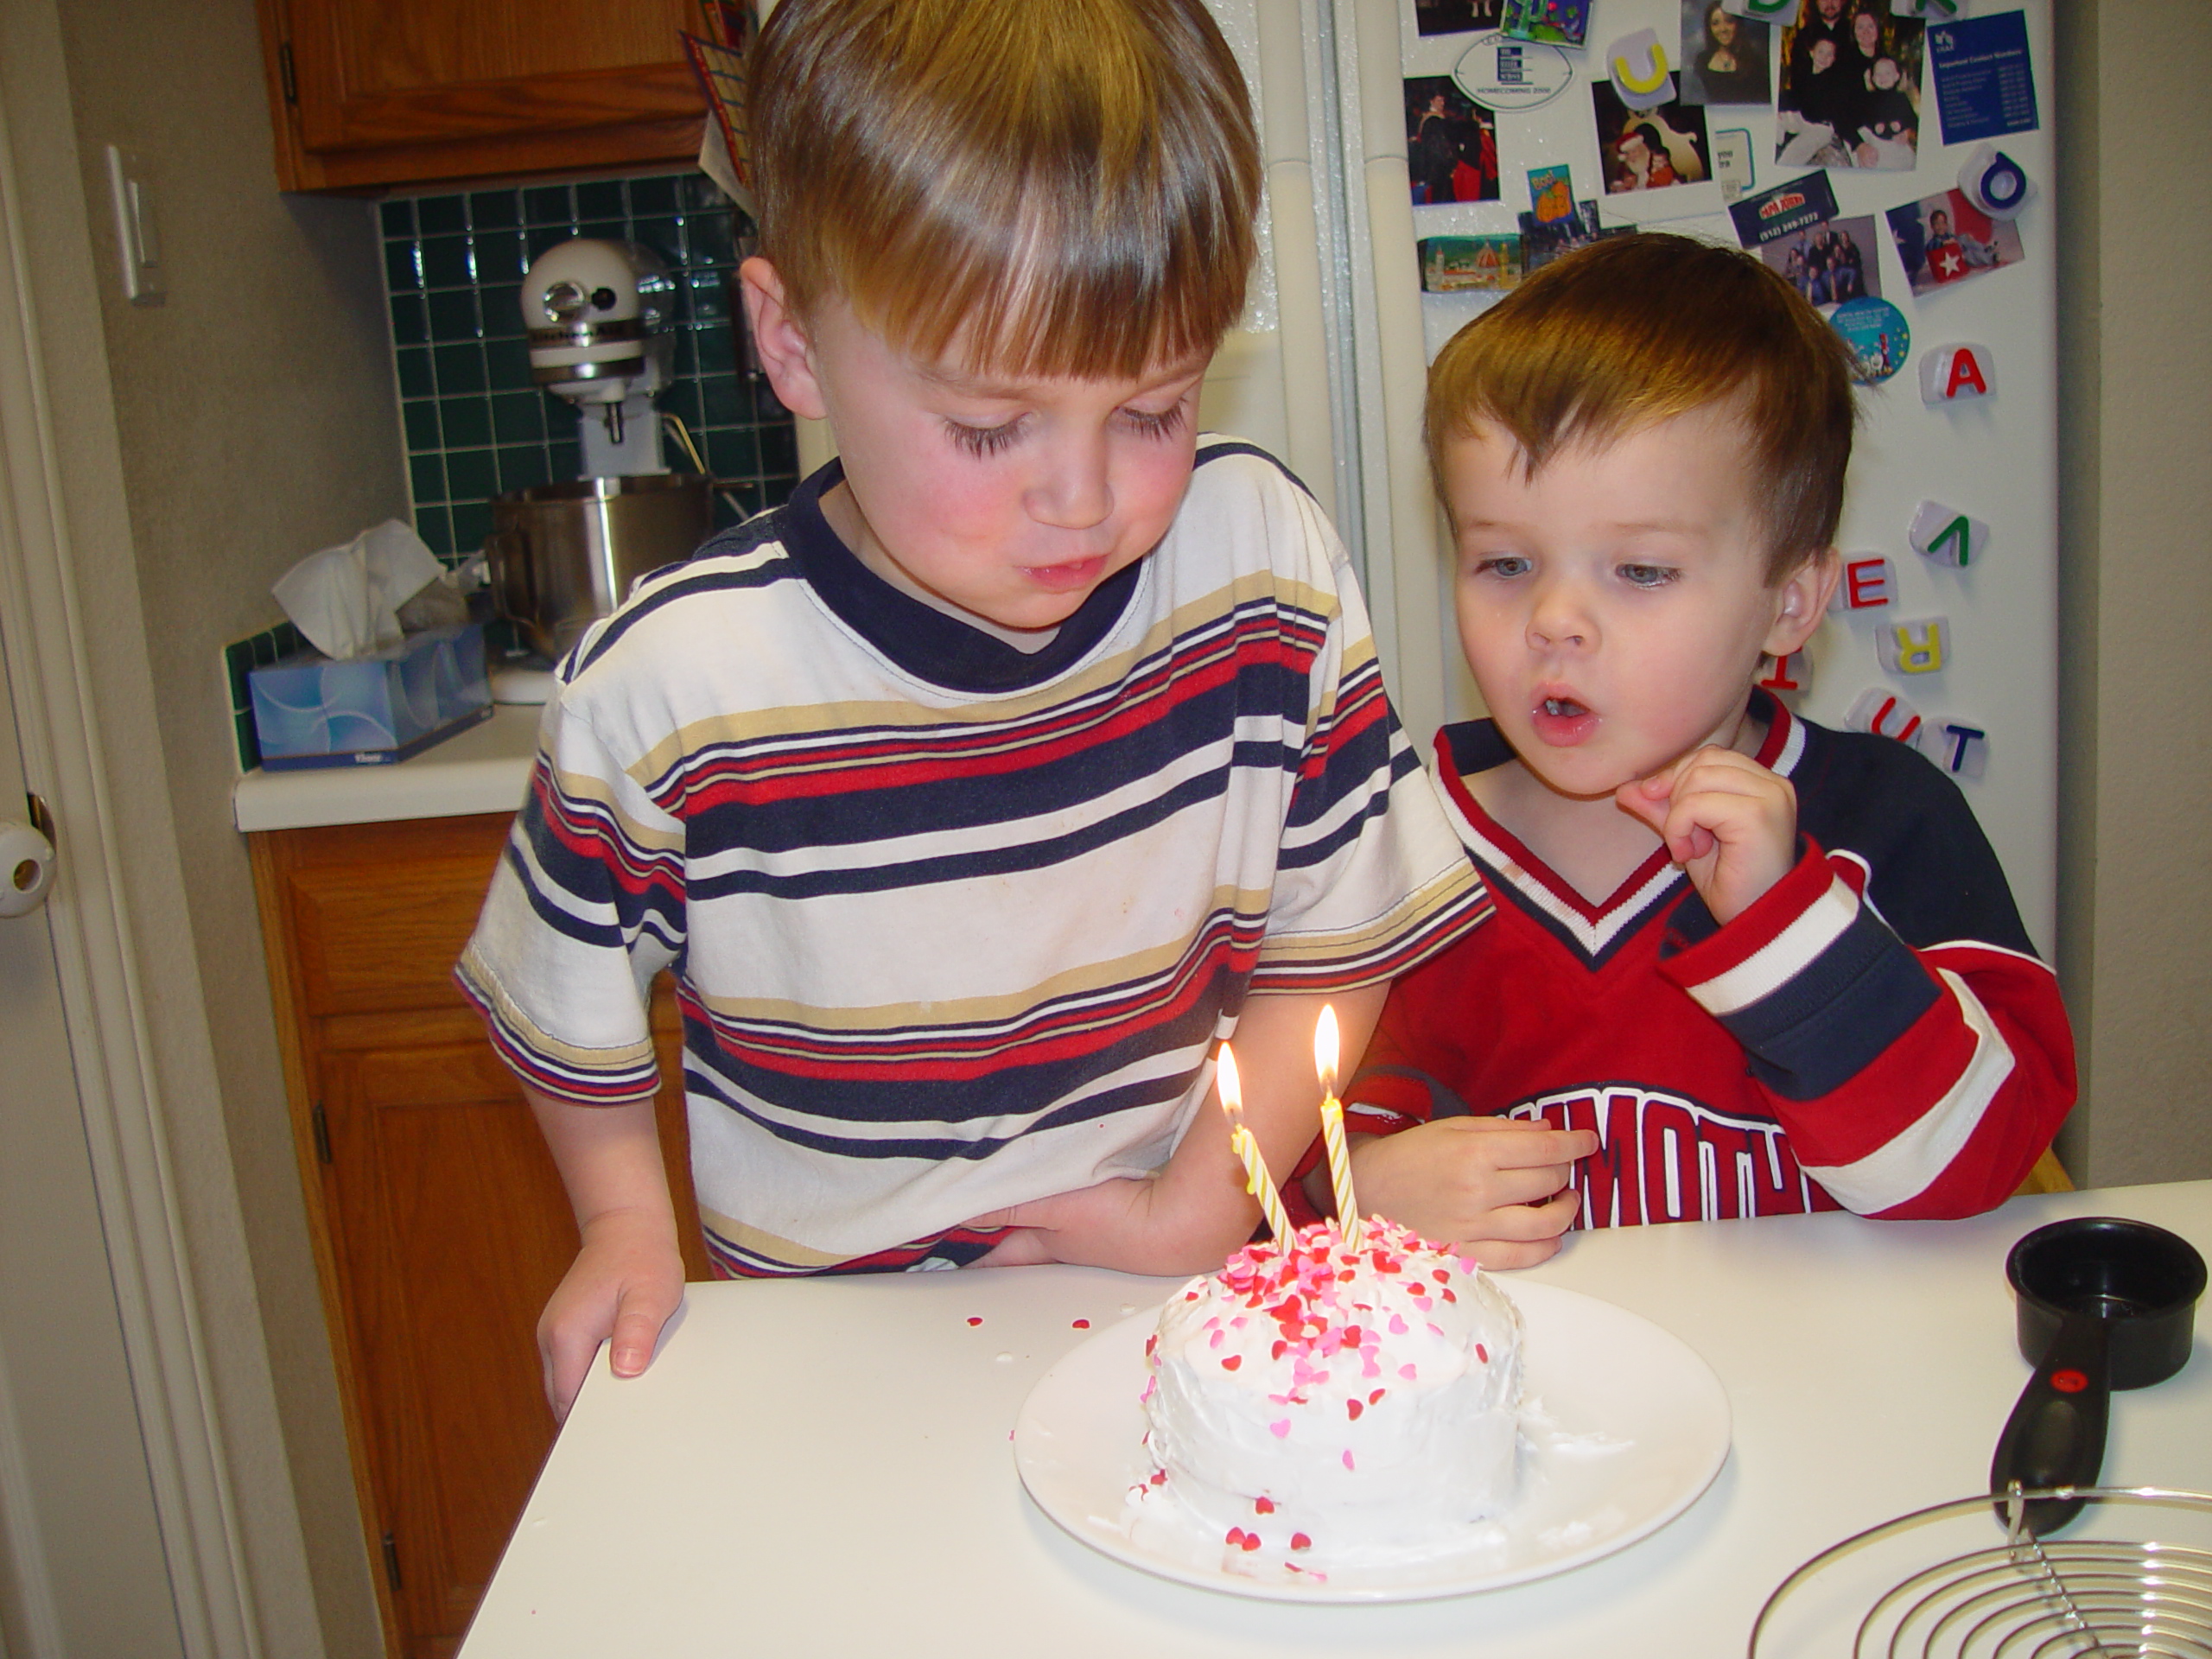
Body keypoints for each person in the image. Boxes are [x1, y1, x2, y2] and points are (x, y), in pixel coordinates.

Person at [457, 0, 1488, 1419]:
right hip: (837, 1380)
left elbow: (1338, 929)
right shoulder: (670, 686)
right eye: (991, 427)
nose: (1084, 497)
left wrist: (1198, 1203)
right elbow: (562, 1005)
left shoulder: (1261, 568)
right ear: (795, 341)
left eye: (1155, 409)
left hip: (1170, 1319)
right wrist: (623, 1225)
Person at [1287, 234, 2075, 1260]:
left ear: (1788, 603)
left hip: (1834, 1394)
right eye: (1505, 561)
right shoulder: (1396, 839)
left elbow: (1987, 1170)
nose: (1555, 619)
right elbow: (1274, 1149)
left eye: (1642, 572)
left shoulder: (1889, 818)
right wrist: (1358, 1201)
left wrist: (1785, 920)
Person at [1693, 4, 1770, 105]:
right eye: (1715, 23)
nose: (1723, 29)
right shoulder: (1702, 60)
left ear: (1738, 24)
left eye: (1729, 21)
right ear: (1709, 28)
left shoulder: (1755, 61)